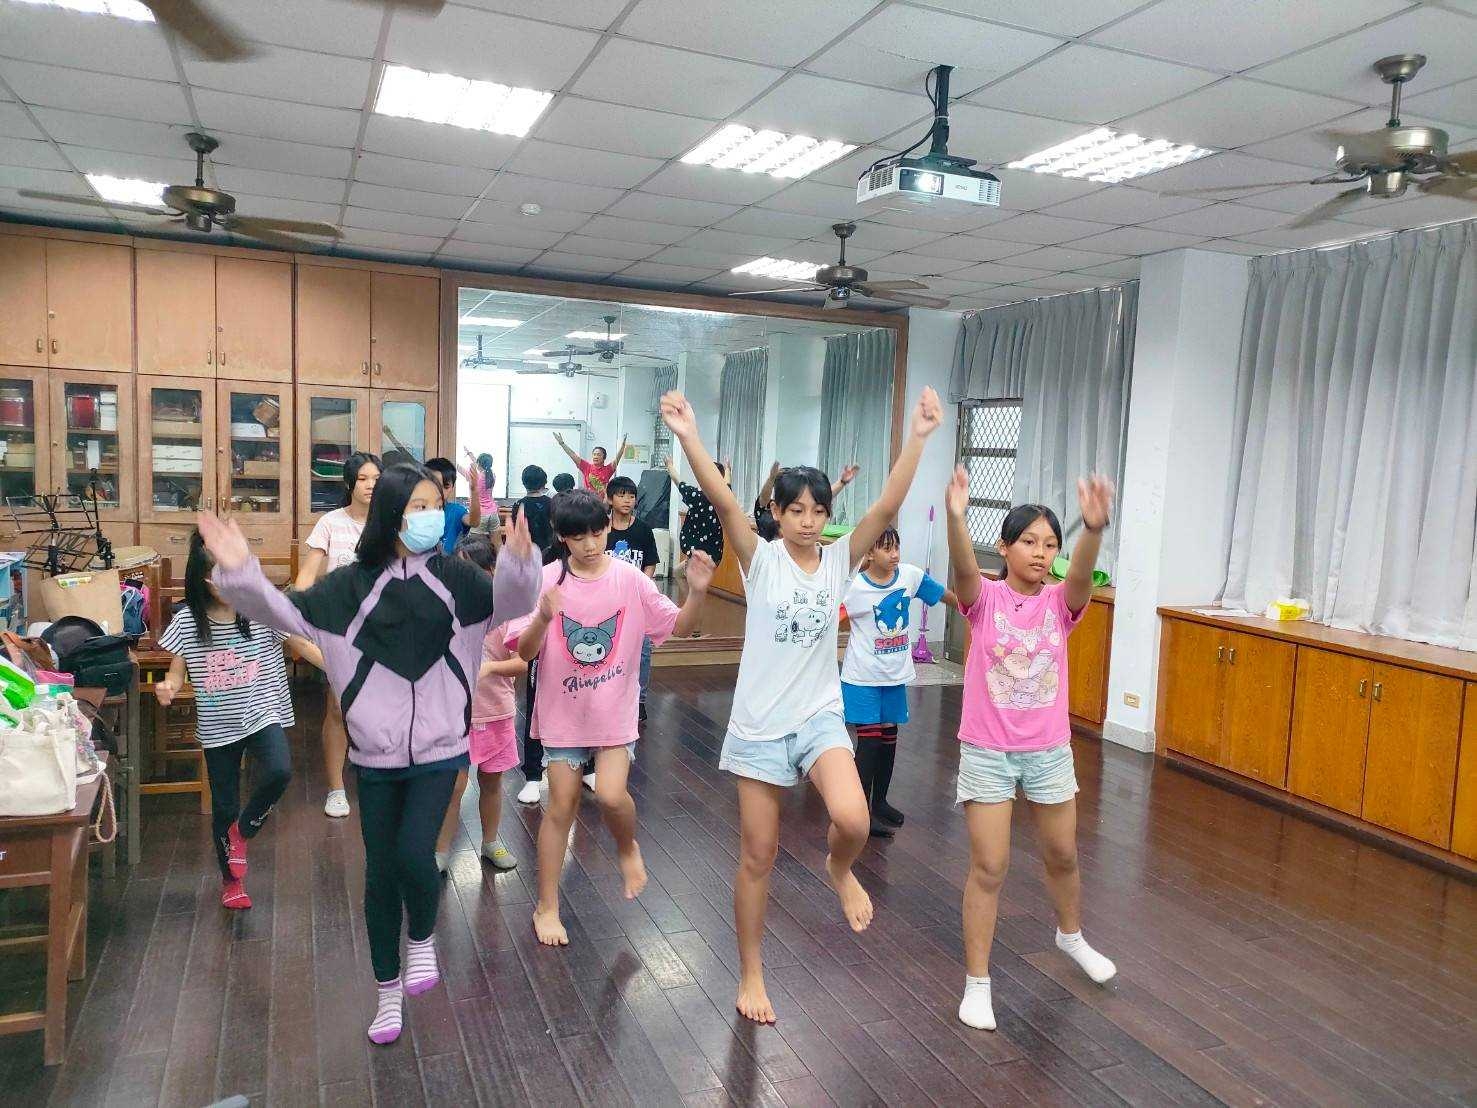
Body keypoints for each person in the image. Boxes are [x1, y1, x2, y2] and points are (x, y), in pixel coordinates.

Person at [198, 463, 542, 1046]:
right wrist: (241, 573)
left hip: (441, 748)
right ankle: (387, 994)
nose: (430, 515)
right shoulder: (348, 587)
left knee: (415, 852)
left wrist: (520, 561)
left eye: (435, 504)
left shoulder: (457, 580)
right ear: (389, 514)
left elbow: (511, 601)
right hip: (375, 755)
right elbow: (283, 612)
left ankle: (422, 937)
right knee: (380, 874)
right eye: (416, 506)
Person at [660, 385, 943, 1025]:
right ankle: (752, 972)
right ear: (778, 514)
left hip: (819, 717)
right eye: (797, 511)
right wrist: (689, 436)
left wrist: (919, 437)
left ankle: (839, 871)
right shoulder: (760, 560)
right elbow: (722, 499)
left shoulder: (841, 559)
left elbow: (888, 502)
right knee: (757, 856)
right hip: (760, 726)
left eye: (818, 511)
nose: (809, 521)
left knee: (854, 820)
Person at [944, 466, 1118, 1032]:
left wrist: (1094, 529)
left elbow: (1082, 575)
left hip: (1048, 750)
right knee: (990, 866)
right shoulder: (985, 600)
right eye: (1029, 542)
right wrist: (955, 519)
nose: (1041, 553)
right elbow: (963, 572)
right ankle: (977, 984)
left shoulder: (1060, 606)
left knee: (1063, 854)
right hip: (988, 751)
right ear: (1005, 547)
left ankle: (1071, 936)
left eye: (1050, 545)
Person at [506, 489, 712, 947]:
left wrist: (697, 592)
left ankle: (626, 846)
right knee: (560, 807)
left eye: (597, 533)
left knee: (612, 796)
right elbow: (524, 652)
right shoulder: (547, 580)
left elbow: (678, 626)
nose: (590, 544)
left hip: (614, 712)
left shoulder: (630, 579)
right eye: (578, 536)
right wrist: (542, 619)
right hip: (563, 715)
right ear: (561, 537)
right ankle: (546, 906)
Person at [156, 531, 323, 910]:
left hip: (262, 712)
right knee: (224, 806)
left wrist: (343, 671)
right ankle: (231, 882)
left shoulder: (261, 611)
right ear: (204, 581)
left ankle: (243, 831)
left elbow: (300, 643)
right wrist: (169, 686)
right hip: (218, 726)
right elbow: (177, 670)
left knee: (279, 771)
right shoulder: (187, 621)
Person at [840, 525, 954, 838]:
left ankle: (880, 803)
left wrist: (975, 607)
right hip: (861, 679)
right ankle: (860, 814)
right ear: (869, 552)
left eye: (896, 547)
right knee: (869, 743)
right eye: (886, 548)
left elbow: (942, 594)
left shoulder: (910, 576)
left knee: (889, 738)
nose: (894, 555)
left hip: (893, 677)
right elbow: (827, 619)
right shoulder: (854, 588)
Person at [297, 451, 381, 818]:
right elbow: (308, 575)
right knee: (337, 705)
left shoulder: (392, 523)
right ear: (349, 484)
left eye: (376, 479)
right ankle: (336, 788)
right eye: (363, 479)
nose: (370, 485)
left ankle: (378, 776)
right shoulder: (330, 523)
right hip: (341, 627)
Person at [434, 533, 525, 875]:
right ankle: (440, 851)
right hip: (456, 718)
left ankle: (490, 842)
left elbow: (522, 662)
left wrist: (489, 668)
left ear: (491, 572)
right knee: (453, 787)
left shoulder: (507, 614)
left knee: (492, 783)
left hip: (497, 713)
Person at [604, 475, 661, 719]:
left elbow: (650, 562)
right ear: (609, 499)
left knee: (643, 651)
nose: (627, 500)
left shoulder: (643, 529)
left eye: (631, 496)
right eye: (621, 495)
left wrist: (642, 587)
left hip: (637, 601)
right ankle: (608, 696)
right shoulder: (601, 529)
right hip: (606, 601)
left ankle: (639, 701)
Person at [755, 461, 861, 540]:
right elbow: (763, 499)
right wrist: (771, 479)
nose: (807, 523)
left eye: (818, 511)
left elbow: (822, 498)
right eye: (797, 511)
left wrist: (842, 482)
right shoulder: (769, 508)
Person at [666, 455, 727, 568]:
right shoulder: (724, 497)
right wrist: (728, 470)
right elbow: (727, 484)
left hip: (696, 553)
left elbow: (678, 481)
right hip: (714, 554)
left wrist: (669, 465)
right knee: (677, 572)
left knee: (690, 576)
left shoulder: (697, 496)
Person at [425, 456, 482, 554]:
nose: (440, 491)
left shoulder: (456, 511)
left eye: (446, 486)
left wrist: (474, 491)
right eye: (435, 484)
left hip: (448, 562)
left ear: (452, 487)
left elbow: (474, 521)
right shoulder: (415, 512)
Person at [554, 432, 628, 497]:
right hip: (588, 501)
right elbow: (573, 455)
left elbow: (617, 458)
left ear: (604, 457)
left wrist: (623, 445)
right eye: (594, 454)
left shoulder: (608, 469)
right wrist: (562, 444)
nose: (596, 456)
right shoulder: (586, 467)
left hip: (602, 503)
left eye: (598, 454)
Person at [510, 464, 554, 558]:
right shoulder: (551, 503)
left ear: (524, 483)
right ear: (543, 483)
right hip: (549, 551)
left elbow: (516, 530)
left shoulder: (519, 505)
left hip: (526, 552)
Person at [464, 449, 501, 542]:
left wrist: (456, 465)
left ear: (479, 464)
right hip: (493, 513)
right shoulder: (492, 476)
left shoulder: (477, 477)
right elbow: (480, 465)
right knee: (497, 544)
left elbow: (464, 471)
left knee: (474, 544)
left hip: (481, 515)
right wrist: (470, 455)